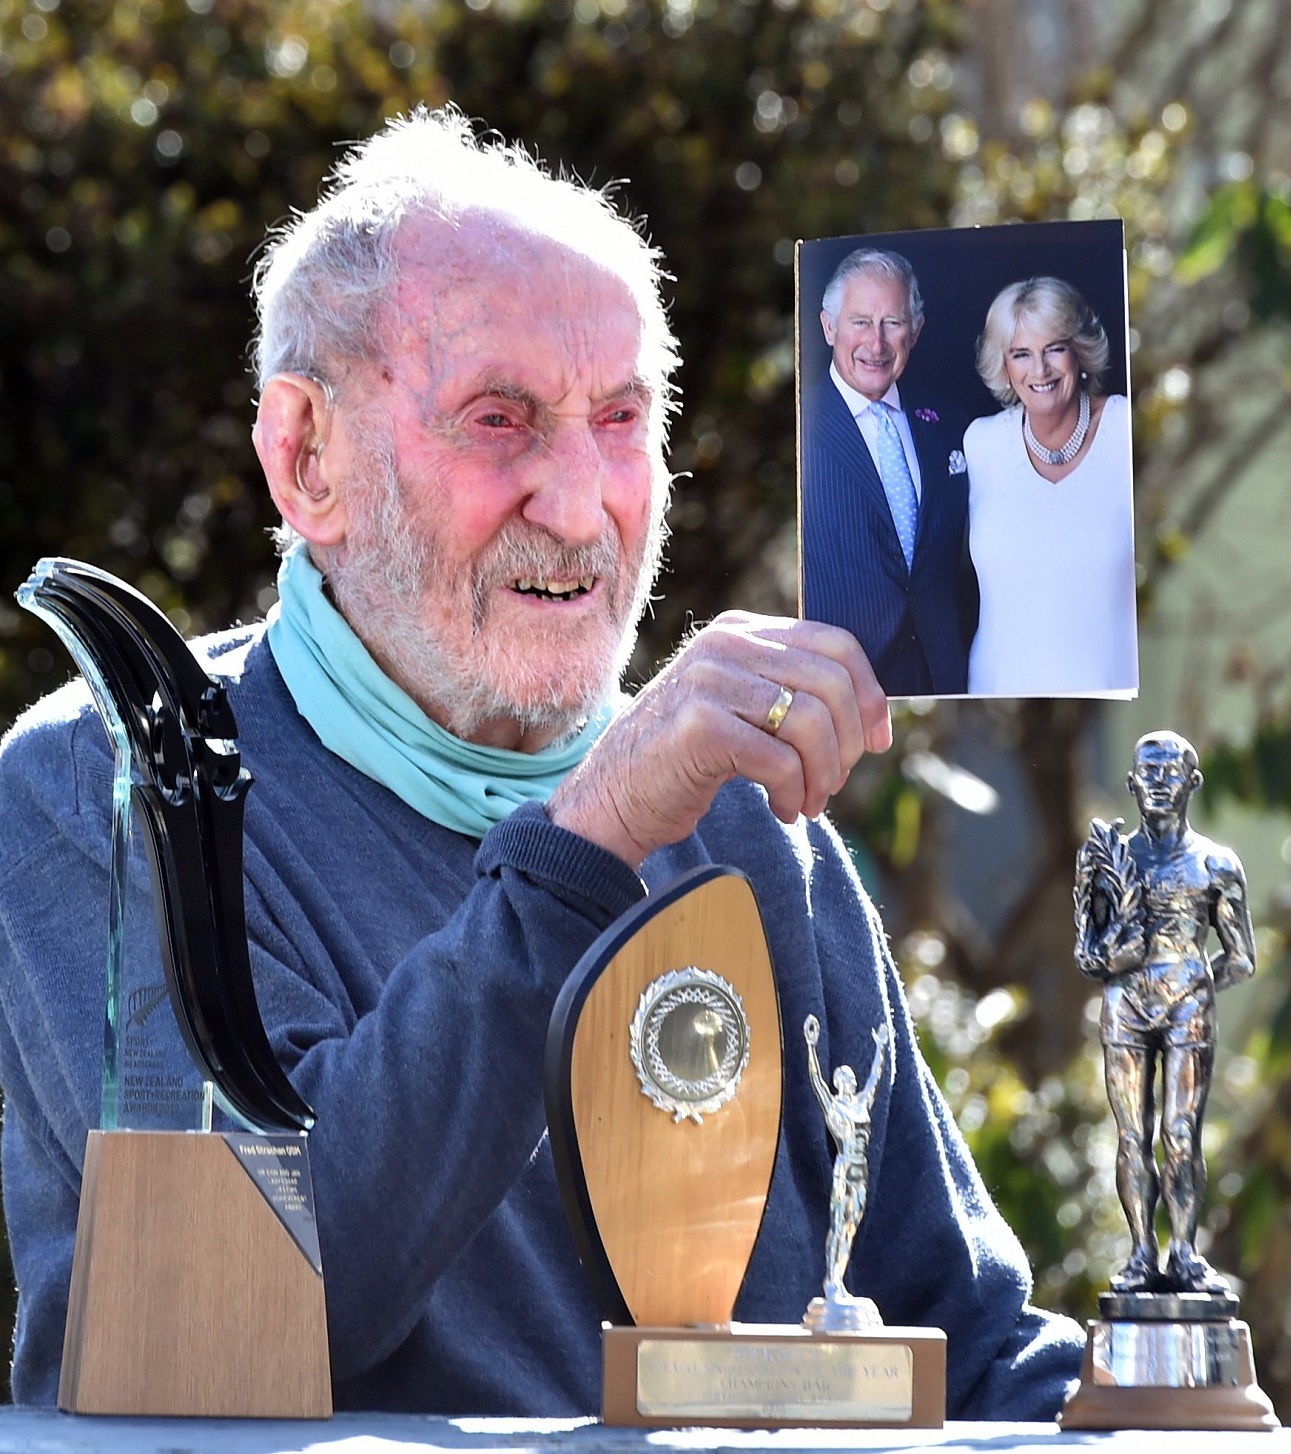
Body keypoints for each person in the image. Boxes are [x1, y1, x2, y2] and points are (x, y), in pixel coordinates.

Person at [0, 108, 1082, 1418]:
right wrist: (593, 836)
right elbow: (268, 1299)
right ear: (305, 458)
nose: (579, 505)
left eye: (621, 418)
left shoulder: (746, 826)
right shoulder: (111, 788)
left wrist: (1153, 1409)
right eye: (499, 417)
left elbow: (962, 1338)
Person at [1074, 731, 1255, 1292]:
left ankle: (1184, 1251)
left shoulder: (1216, 865)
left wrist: (1193, 988)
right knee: (1132, 1136)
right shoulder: (1110, 858)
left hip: (1186, 1008)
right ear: (1130, 783)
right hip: (1124, 1007)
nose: (1157, 783)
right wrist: (1106, 954)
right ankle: (1140, 1253)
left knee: (1180, 1134)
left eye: (1169, 772)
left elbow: (1241, 957)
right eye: (1146, 773)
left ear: (1192, 783)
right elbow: (1087, 946)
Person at [800, 248, 979, 696]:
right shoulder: (799, 427)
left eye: (892, 323)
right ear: (828, 327)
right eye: (860, 321)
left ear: (915, 331)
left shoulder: (950, 424)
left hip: (943, 682)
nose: (876, 344)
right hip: (840, 691)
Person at [964, 276, 1138, 696]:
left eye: (1054, 349)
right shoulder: (980, 443)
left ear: (1079, 351)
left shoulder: (1124, 428)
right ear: (1003, 364)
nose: (1039, 370)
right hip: (996, 699)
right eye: (1021, 354)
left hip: (1109, 696)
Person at [802, 1014, 887, 1309]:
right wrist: (811, 1046)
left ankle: (839, 1281)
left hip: (861, 1169)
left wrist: (881, 1048)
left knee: (851, 1225)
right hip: (844, 1167)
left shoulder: (862, 1103)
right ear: (838, 1083)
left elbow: (875, 1078)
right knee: (838, 1224)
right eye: (844, 1078)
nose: (849, 1081)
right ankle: (832, 1281)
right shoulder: (835, 1107)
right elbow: (815, 1082)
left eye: (850, 1078)